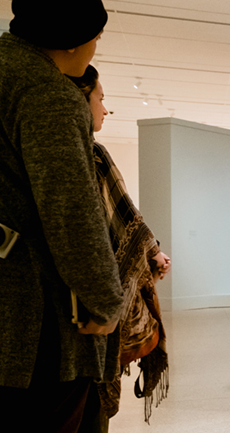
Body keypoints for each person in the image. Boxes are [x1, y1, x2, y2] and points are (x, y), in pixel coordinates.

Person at [0, 0, 124, 431]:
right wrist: (106, 301)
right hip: (31, 317)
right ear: (72, 40)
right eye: (96, 38)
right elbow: (72, 213)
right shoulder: (45, 92)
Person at [68, 65, 171, 432]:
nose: (105, 109)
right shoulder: (91, 154)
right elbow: (122, 219)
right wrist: (151, 253)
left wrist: (149, 251)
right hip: (88, 296)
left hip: (76, 298)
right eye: (101, 98)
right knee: (86, 396)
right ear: (82, 100)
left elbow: (123, 216)